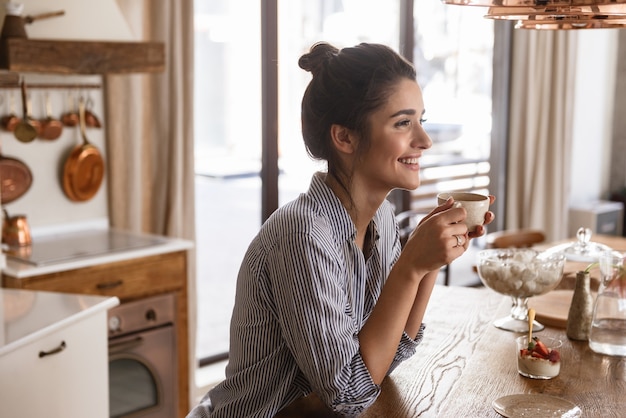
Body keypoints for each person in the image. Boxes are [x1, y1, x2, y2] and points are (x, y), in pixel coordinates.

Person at [188, 41, 495, 418]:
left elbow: (385, 359)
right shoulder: (302, 235)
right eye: (403, 123)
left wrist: (430, 258)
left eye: (421, 121)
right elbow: (350, 393)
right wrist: (411, 266)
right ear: (345, 137)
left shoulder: (379, 217)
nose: (424, 140)